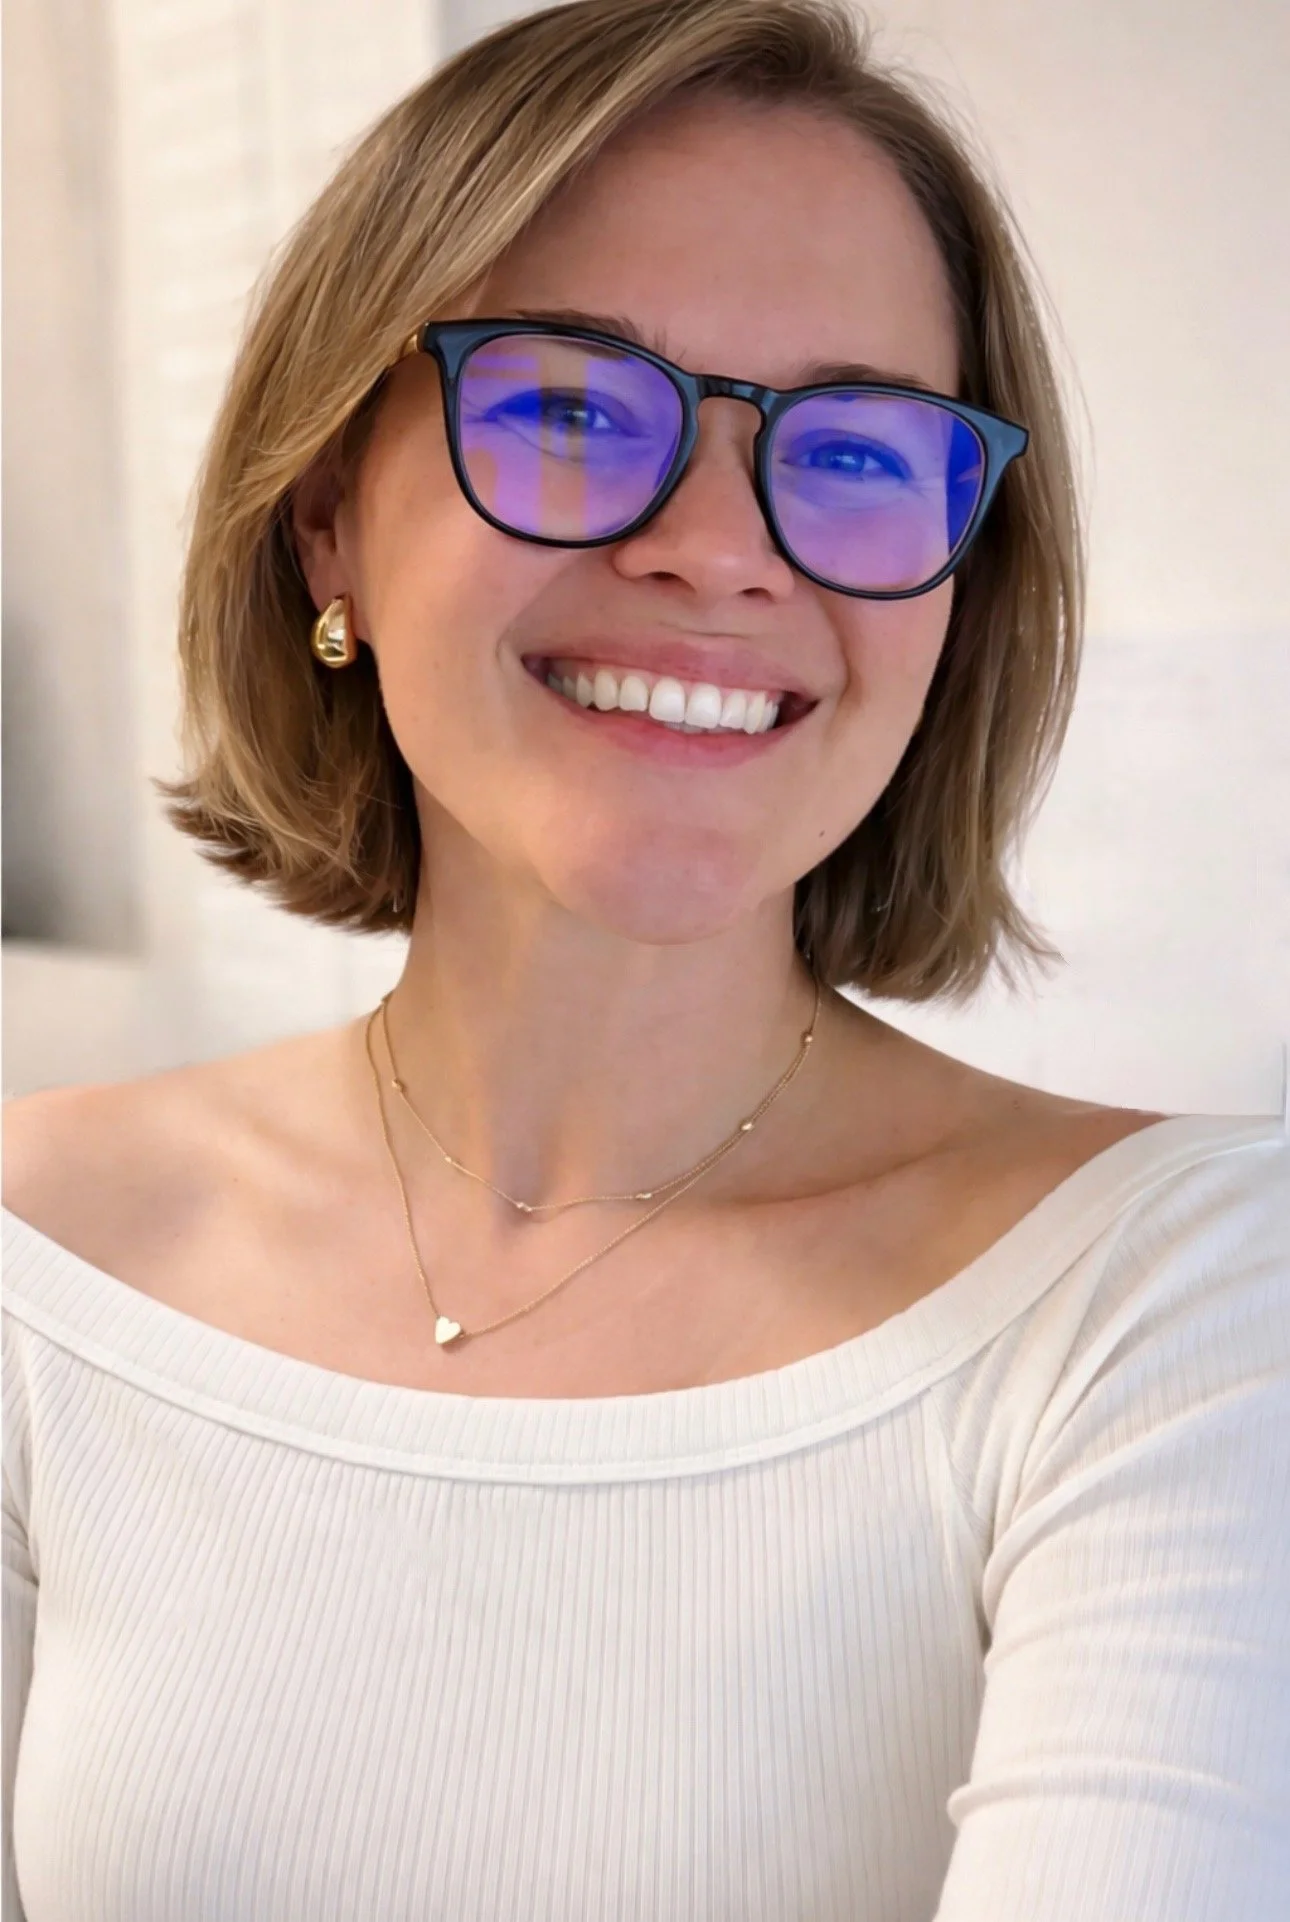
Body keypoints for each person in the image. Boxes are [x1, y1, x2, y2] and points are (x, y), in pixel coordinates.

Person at [4, 0, 1287, 1915]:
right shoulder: (36, 1264)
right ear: (329, 518)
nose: (720, 550)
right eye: (572, 410)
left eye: (856, 450)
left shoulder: (1179, 1302)